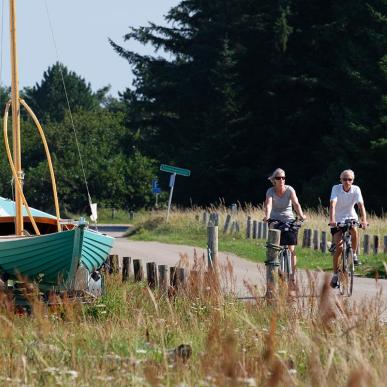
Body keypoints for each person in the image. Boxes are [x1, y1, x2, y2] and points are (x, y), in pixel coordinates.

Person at [263, 168, 306, 279]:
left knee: (291, 249)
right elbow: (268, 205)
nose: (281, 180)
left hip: (289, 219)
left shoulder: (290, 190)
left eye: (283, 177)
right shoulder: (270, 191)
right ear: (274, 180)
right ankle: (274, 265)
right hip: (275, 219)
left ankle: (292, 275)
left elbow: (296, 203)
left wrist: (301, 215)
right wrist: (267, 217)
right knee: (275, 243)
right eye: (278, 178)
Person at [329, 169, 367, 288]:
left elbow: (361, 205)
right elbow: (332, 204)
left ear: (353, 180)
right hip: (337, 220)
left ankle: (354, 255)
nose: (347, 181)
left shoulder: (356, 189)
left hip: (351, 217)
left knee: (355, 230)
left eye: (349, 179)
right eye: (344, 179)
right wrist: (332, 219)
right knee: (339, 248)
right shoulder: (336, 188)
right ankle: (335, 274)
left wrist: (364, 220)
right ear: (340, 180)